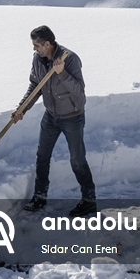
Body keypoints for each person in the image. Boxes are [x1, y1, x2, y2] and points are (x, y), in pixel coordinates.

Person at [13, 26, 96, 216]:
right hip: (51, 116)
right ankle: (39, 196)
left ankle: (89, 200)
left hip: (72, 117)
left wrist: (62, 73)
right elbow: (35, 86)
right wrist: (22, 108)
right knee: (42, 156)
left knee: (77, 160)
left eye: (36, 45)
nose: (34, 49)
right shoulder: (38, 59)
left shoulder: (70, 59)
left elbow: (79, 93)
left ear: (47, 44)